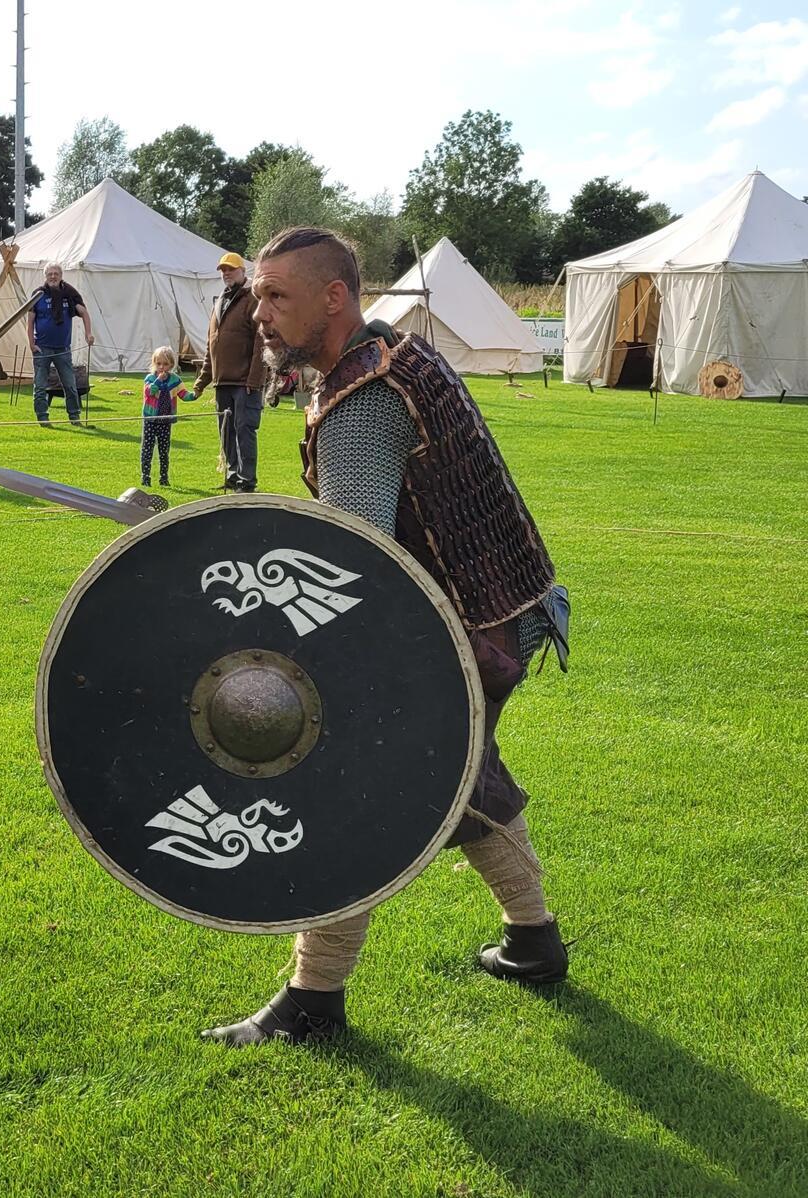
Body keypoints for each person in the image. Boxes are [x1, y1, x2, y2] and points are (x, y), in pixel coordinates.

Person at [203, 227, 568, 1048]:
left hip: (464, 635)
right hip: (497, 613)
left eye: (276, 296)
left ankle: (312, 1001)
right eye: (257, 295)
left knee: (350, 797)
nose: (258, 312)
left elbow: (347, 560)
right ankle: (534, 941)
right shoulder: (396, 358)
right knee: (465, 778)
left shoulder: (362, 401)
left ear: (335, 298)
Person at [191, 251, 268, 493]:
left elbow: (261, 342)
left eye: (231, 269)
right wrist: (202, 381)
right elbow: (211, 345)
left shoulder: (252, 299)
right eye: (223, 270)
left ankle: (247, 481)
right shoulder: (220, 300)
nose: (226, 274)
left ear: (243, 271)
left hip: (245, 382)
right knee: (227, 433)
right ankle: (234, 475)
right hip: (222, 381)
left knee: (245, 431)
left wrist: (254, 380)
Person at [26, 264, 94, 427]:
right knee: (41, 385)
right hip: (42, 347)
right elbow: (29, 321)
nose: (53, 277)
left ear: (61, 275)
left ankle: (74, 417)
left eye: (56, 274)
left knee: (70, 385)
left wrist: (88, 333)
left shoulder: (69, 295)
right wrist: (31, 344)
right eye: (50, 274)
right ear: (45, 276)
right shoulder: (38, 295)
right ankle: (43, 418)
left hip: (63, 348)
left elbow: (84, 313)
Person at [140, 347, 194, 489]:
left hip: (166, 420)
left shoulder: (175, 380)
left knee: (164, 450)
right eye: (158, 364)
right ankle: (145, 477)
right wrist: (157, 381)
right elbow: (150, 392)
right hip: (151, 419)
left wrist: (195, 395)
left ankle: (164, 478)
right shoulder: (150, 378)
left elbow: (184, 394)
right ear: (154, 364)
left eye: (165, 364)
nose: (162, 367)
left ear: (171, 365)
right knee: (147, 449)